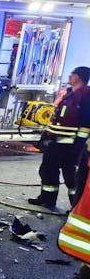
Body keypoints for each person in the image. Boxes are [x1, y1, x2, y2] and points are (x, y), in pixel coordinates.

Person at [28, 66, 90, 209]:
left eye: (72, 74)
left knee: (71, 177)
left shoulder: (86, 97)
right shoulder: (69, 94)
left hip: (70, 145)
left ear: (79, 78)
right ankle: (47, 199)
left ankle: (76, 207)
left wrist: (78, 146)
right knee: (47, 170)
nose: (69, 76)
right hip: (56, 142)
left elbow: (86, 125)